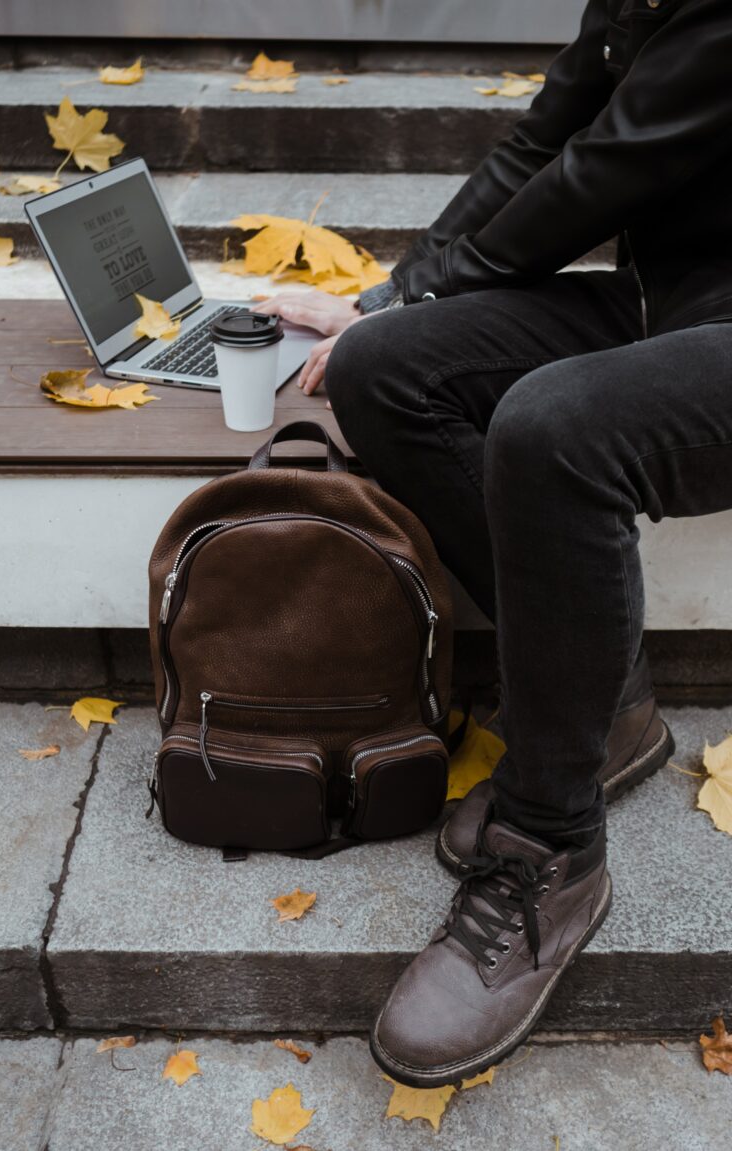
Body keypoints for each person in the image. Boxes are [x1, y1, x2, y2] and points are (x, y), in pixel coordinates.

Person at [252, 0, 732, 1088]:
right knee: (389, 369)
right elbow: (539, 138)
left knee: (556, 427)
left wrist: (423, 284)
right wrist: (392, 297)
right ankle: (605, 706)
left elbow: (597, 172)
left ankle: (549, 846)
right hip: (673, 301)